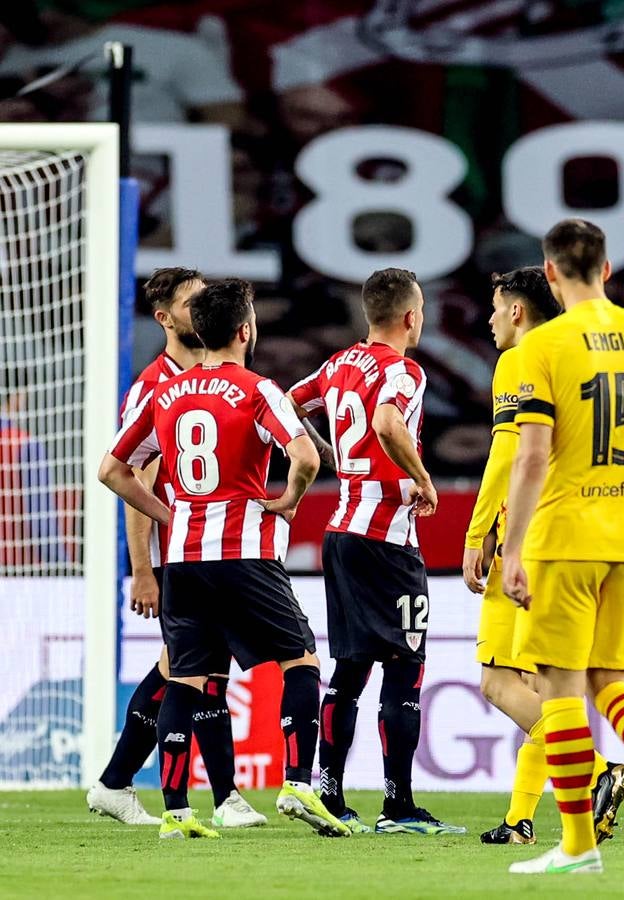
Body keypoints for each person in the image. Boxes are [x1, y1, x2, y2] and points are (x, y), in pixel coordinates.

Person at [99, 279, 345, 840]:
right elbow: (304, 454)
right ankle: (296, 783)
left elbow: (112, 470)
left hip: (183, 559)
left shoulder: (165, 394)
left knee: (186, 677)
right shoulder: (259, 389)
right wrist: (289, 498)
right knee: (301, 662)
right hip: (245, 555)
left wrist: (171, 516)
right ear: (244, 330)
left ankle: (176, 812)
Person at [499, 219, 624, 874]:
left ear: (551, 273)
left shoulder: (543, 345)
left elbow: (531, 459)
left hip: (566, 534)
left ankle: (579, 846)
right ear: (608, 269)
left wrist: (512, 549)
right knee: (612, 679)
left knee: (560, 685)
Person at [86, 268, 264, 830]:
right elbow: (131, 480)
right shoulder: (155, 385)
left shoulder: (212, 376)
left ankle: (221, 796)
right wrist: (143, 568)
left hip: (207, 547)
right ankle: (120, 783)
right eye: (192, 301)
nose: (203, 306)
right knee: (184, 669)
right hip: (178, 554)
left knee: (205, 670)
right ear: (166, 319)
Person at [463, 267, 624, 846]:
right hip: (579, 531)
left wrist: (478, 532)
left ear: (517, 310)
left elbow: (507, 453)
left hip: (527, 537)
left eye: (495, 308)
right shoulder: (579, 356)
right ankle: (519, 820)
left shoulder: (522, 359)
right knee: (541, 686)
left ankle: (594, 772)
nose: (489, 320)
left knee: (496, 680)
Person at [287, 268, 461, 835]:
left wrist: (335, 460)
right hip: (387, 539)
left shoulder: (340, 365)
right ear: (412, 317)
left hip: (342, 530)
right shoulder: (404, 371)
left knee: (351, 667)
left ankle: (329, 796)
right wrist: (422, 476)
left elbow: (291, 406)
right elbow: (388, 422)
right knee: (406, 668)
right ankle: (399, 806)